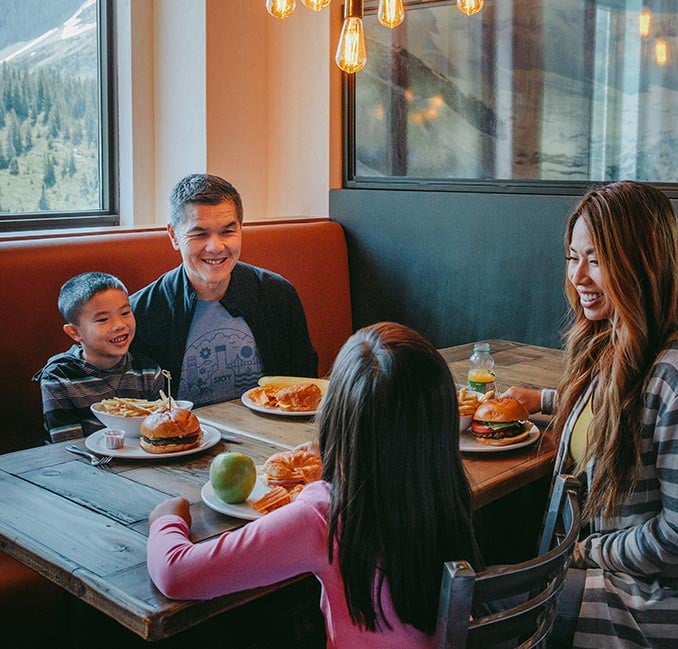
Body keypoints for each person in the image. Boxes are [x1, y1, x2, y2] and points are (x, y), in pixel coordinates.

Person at [147, 322, 482, 648]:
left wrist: (166, 519)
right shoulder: (445, 490)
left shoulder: (325, 517)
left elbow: (176, 573)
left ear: (334, 417)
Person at [502, 181, 678, 649]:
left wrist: (584, 552)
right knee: (495, 598)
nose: (579, 276)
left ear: (642, 262)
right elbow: (611, 409)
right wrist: (543, 400)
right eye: (573, 257)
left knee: (511, 611)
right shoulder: (617, 338)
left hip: (662, 594)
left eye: (597, 259)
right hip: (612, 568)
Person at [129, 173, 318, 407]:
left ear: (241, 229)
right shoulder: (141, 313)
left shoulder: (277, 295)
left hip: (272, 438)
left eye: (228, 232)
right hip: (181, 441)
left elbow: (304, 385)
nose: (215, 247)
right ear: (173, 236)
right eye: (200, 234)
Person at [34, 272, 165, 443]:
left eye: (125, 313)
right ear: (74, 332)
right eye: (103, 319)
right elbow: (67, 445)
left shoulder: (148, 371)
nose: (119, 325)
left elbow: (158, 432)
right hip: (81, 463)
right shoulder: (59, 376)